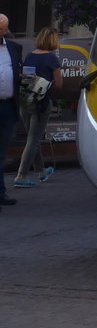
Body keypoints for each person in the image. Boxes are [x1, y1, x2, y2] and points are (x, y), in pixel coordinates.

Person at [14, 26, 62, 188]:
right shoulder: (52, 58)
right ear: (53, 40)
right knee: (33, 139)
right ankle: (21, 175)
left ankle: (41, 170)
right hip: (41, 103)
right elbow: (59, 84)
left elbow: (26, 78)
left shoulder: (30, 56)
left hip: (24, 100)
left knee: (32, 137)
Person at [0, 13, 22, 207]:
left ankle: (1, 193)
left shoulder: (14, 49)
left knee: (2, 153)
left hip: (8, 106)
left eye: (1, 28)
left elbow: (17, 73)